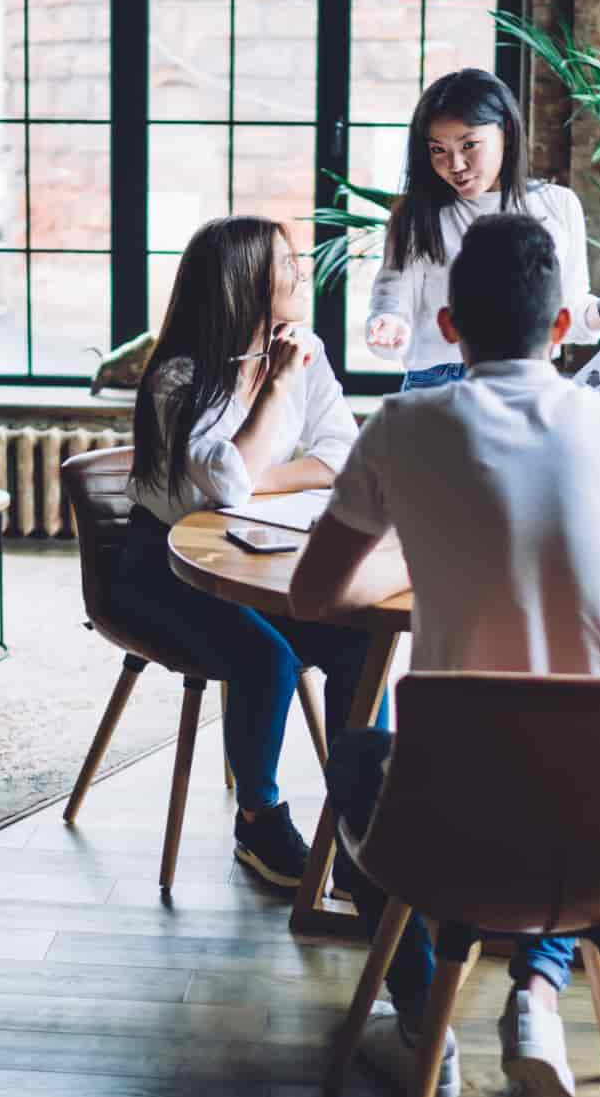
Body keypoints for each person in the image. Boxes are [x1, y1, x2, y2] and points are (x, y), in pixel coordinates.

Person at [290, 213, 600, 1097]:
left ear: (449, 325)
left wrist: (425, 575)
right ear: (563, 326)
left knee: (354, 758)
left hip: (447, 824)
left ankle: (425, 1023)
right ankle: (535, 993)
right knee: (573, 774)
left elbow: (316, 596)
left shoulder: (399, 428)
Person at [114, 215, 388, 891]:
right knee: (266, 657)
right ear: (243, 284)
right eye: (286, 263)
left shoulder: (305, 348)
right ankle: (258, 818)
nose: (301, 271)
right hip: (163, 566)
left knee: (359, 640)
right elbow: (230, 481)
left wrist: (246, 478)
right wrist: (275, 389)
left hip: (251, 551)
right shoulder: (178, 378)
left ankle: (364, 828)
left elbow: (341, 455)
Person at [365, 67, 600, 391]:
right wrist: (388, 326)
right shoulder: (415, 216)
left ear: (507, 132)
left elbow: (563, 312)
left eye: (469, 145)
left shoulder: (558, 205)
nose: (455, 165)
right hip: (437, 383)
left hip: (529, 382)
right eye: (438, 150)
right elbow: (391, 300)